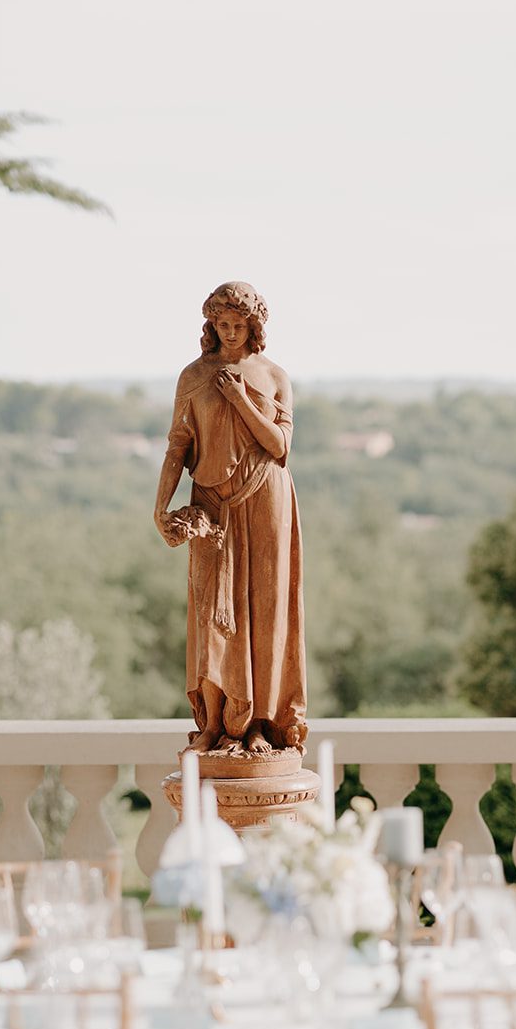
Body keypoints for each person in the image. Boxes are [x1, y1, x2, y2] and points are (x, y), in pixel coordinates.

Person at [154, 281, 307, 756]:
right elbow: (178, 446)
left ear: (255, 326)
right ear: (211, 325)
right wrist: (161, 507)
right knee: (212, 614)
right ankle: (215, 724)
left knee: (265, 609)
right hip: (211, 504)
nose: (231, 332)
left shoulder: (273, 375)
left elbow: (280, 447)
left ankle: (262, 723)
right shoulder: (193, 376)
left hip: (265, 497)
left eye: (240, 325)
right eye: (222, 324)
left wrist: (241, 399)